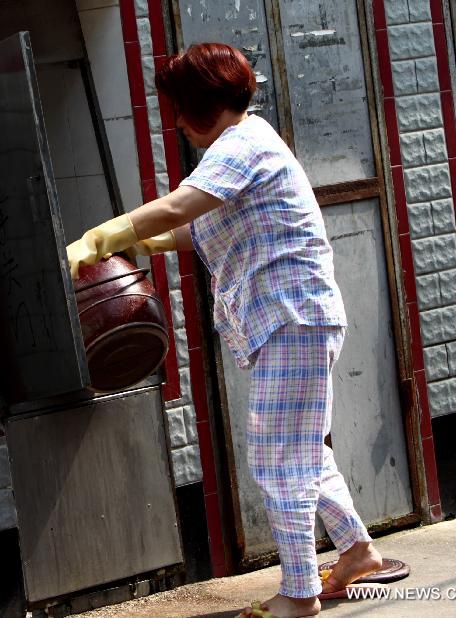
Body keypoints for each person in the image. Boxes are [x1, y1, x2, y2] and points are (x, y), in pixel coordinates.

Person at [66, 42, 382, 618]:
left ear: (208, 104)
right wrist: (148, 239)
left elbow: (182, 205)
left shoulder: (244, 142)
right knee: (304, 449)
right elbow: (199, 223)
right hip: (292, 321)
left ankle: (300, 593)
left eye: (183, 109)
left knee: (278, 457)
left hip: (291, 318)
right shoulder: (242, 147)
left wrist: (103, 235)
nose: (178, 122)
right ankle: (357, 553)